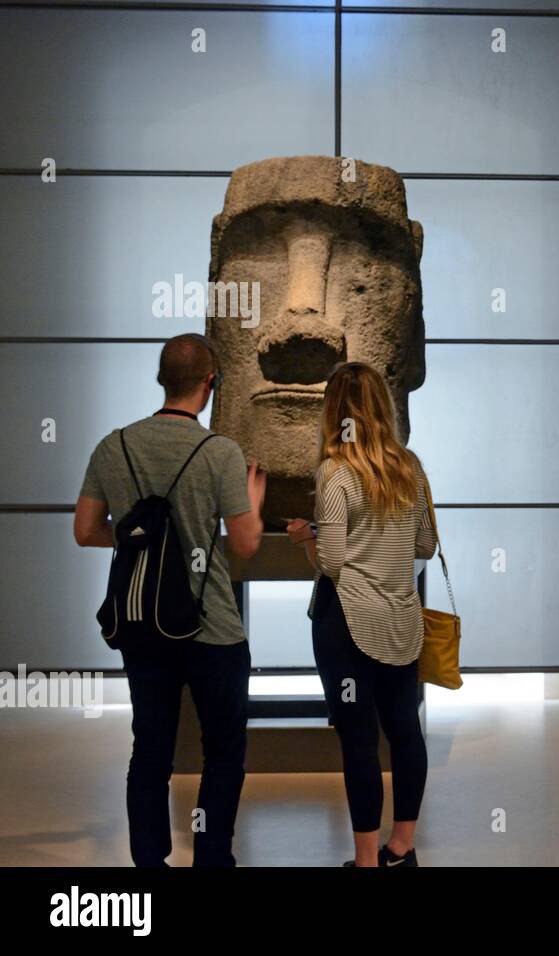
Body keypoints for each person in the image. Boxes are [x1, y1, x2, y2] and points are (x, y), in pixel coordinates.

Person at [74, 333, 265, 867]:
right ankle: (211, 859)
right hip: (213, 630)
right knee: (223, 752)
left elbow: (86, 531)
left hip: (143, 624)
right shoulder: (220, 453)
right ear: (210, 383)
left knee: (150, 750)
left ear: (162, 380)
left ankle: (150, 863)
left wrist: (145, 537)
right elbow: (246, 545)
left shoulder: (114, 446)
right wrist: (249, 502)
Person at [287, 361, 434, 867]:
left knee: (359, 740)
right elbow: (426, 544)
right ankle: (403, 845)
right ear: (382, 408)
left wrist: (308, 535)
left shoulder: (335, 472)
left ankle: (366, 860)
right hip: (400, 618)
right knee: (404, 729)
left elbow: (330, 562)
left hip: (345, 622)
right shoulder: (410, 467)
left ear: (334, 411)